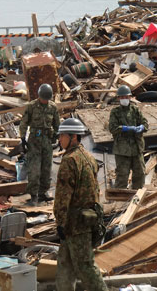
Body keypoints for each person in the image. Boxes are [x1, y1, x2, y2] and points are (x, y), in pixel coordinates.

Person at [53, 118, 107, 291]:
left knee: (85, 266)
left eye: (62, 136)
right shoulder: (89, 157)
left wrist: (60, 221)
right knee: (65, 264)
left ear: (74, 137)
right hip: (84, 219)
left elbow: (63, 195)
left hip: (75, 222)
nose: (59, 139)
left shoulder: (70, 160)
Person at [19, 83, 60, 206]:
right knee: (34, 169)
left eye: (47, 99)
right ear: (39, 96)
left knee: (46, 169)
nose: (45, 101)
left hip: (47, 141)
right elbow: (24, 123)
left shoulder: (52, 107)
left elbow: (57, 124)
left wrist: (57, 137)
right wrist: (22, 138)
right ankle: (33, 195)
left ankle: (43, 192)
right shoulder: (31, 107)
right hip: (34, 142)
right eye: (43, 98)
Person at [108, 85, 148, 189]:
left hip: (136, 147)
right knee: (122, 176)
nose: (124, 99)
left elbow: (145, 123)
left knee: (140, 174)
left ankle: (136, 196)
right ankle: (118, 200)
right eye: (122, 97)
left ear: (130, 97)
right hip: (122, 149)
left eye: (126, 97)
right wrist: (125, 128)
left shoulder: (135, 110)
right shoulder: (115, 112)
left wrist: (141, 127)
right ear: (118, 98)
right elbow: (112, 128)